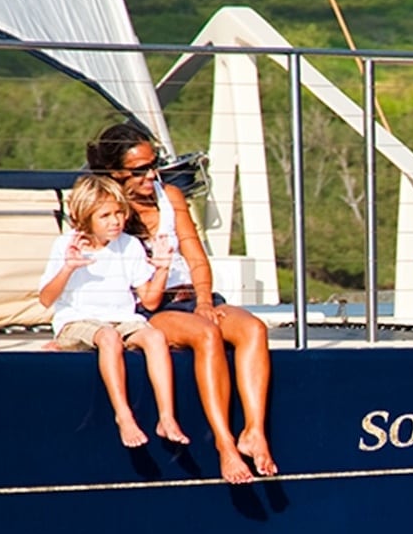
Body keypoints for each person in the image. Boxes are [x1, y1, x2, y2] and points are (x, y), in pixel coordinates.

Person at [86, 121, 277, 484]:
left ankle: (254, 432)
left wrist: (204, 298)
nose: (150, 175)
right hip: (151, 307)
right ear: (115, 173)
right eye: (139, 171)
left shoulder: (169, 196)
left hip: (193, 296)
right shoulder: (108, 208)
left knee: (253, 328)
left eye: (154, 164)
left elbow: (195, 254)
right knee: (206, 335)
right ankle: (225, 445)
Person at [38, 175, 190, 450]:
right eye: (105, 215)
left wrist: (163, 267)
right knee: (109, 338)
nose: (115, 221)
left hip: (124, 319)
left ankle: (166, 416)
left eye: (119, 212)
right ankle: (124, 415)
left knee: (155, 338)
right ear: (86, 216)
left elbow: (151, 301)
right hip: (78, 320)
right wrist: (68, 267)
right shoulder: (65, 245)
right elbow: (46, 299)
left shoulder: (129, 245)